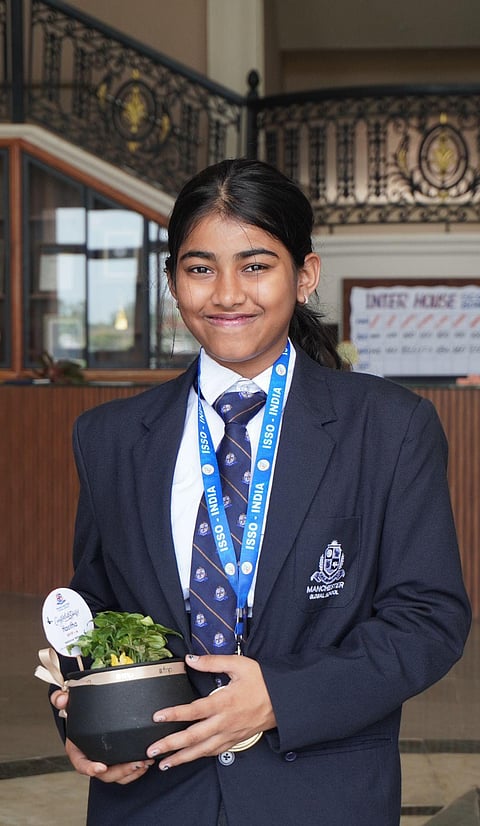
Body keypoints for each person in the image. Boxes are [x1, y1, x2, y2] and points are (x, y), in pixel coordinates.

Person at [50, 158, 471, 826]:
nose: (226, 294)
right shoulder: (110, 437)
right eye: (200, 268)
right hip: (153, 795)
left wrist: (282, 696)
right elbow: (96, 608)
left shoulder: (389, 427)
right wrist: (84, 716)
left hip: (320, 797)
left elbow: (428, 619)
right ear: (172, 281)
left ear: (304, 276)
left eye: (255, 266)